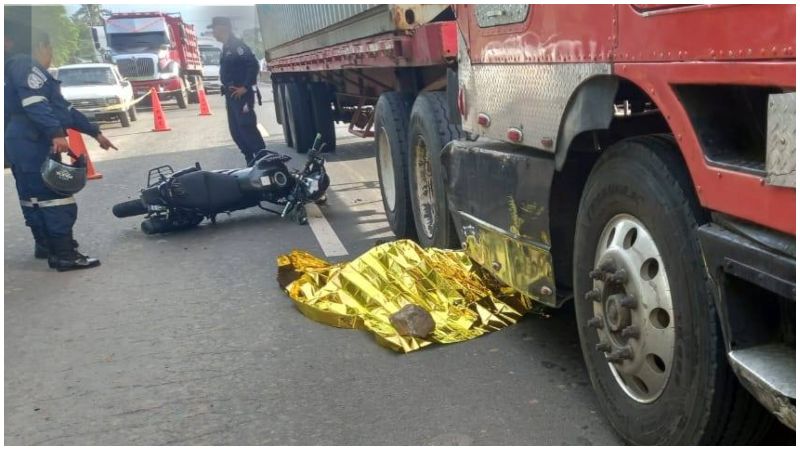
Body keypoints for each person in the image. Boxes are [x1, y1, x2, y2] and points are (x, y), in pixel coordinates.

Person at [5, 30, 118, 271]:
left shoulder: (15, 65)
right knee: (53, 197)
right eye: (50, 50)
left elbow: (64, 109)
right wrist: (56, 132)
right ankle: (65, 254)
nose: (51, 56)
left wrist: (94, 132)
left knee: (33, 197)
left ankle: (47, 246)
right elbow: (35, 104)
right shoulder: (26, 63)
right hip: (32, 139)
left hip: (21, 140)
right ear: (41, 46)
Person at [209, 16, 265, 166]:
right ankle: (250, 161)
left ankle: (264, 161)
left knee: (246, 128)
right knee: (236, 132)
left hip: (241, 96)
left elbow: (253, 65)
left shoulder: (237, 45)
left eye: (214, 29)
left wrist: (245, 87)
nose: (213, 33)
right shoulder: (226, 47)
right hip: (231, 96)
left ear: (223, 28)